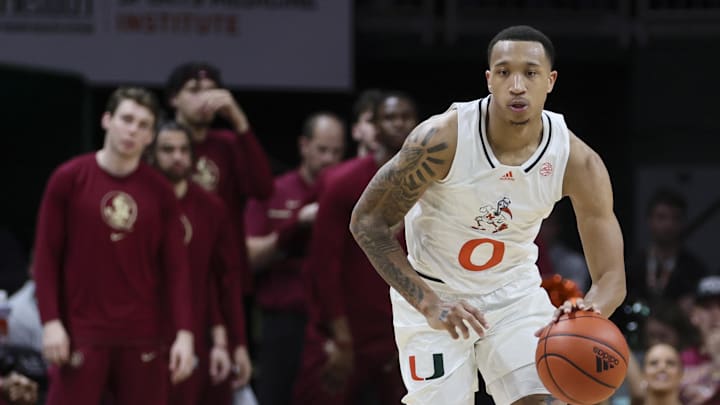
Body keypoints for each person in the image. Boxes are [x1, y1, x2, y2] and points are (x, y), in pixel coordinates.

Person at [350, 25, 627, 404]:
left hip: (513, 294)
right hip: (435, 293)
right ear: (488, 80)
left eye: (530, 73)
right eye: (503, 72)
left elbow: (612, 277)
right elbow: (367, 222)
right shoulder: (440, 140)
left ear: (550, 80)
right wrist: (429, 303)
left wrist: (589, 310)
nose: (516, 85)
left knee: (535, 398)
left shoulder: (577, 161)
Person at [33, 87, 195, 404]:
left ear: (150, 137)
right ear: (107, 120)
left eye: (143, 125)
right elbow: (46, 257)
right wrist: (51, 323)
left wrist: (185, 334)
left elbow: (176, 268)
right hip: (82, 331)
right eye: (127, 119)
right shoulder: (68, 179)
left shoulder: (160, 192)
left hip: (144, 334)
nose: (132, 130)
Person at [293, 91, 419, 405]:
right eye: (390, 117)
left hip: (403, 331)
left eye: (405, 116)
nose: (398, 123)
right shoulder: (341, 182)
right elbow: (324, 265)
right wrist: (341, 338)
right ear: (374, 126)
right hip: (346, 332)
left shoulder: (431, 183)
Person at [165, 62, 274, 403]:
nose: (204, 100)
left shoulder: (227, 143)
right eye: (194, 91)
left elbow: (262, 187)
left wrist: (239, 120)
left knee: (227, 375)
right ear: (173, 99)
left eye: (211, 90)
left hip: (227, 276)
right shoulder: (161, 145)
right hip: (173, 274)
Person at [148, 121, 253, 405]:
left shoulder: (211, 207)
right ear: (151, 154)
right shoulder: (140, 201)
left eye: (184, 150)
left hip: (199, 328)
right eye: (167, 150)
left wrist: (235, 343)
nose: (177, 157)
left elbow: (224, 281)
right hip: (144, 331)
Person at [245, 112, 346, 405]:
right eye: (322, 150)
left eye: (337, 152)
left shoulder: (350, 196)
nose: (329, 159)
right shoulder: (274, 191)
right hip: (282, 324)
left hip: (334, 327)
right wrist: (295, 226)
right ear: (304, 146)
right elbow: (247, 258)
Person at [627, 188, 708, 314]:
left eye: (675, 218)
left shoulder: (694, 269)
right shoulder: (632, 266)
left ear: (683, 222)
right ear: (649, 220)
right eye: (661, 217)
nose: (668, 225)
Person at [350, 89, 382, 158]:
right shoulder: (344, 168)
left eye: (380, 120)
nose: (377, 127)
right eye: (370, 121)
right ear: (355, 131)